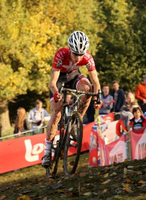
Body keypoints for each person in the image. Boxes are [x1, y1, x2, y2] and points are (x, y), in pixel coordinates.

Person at [42, 31, 101, 167]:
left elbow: (96, 82)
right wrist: (56, 93)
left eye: (81, 55)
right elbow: (52, 83)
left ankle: (76, 121)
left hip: (74, 77)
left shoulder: (87, 57)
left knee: (88, 89)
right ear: (70, 50)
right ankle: (47, 150)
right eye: (75, 55)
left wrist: (97, 97)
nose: (78, 59)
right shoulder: (61, 54)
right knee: (57, 112)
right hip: (59, 80)